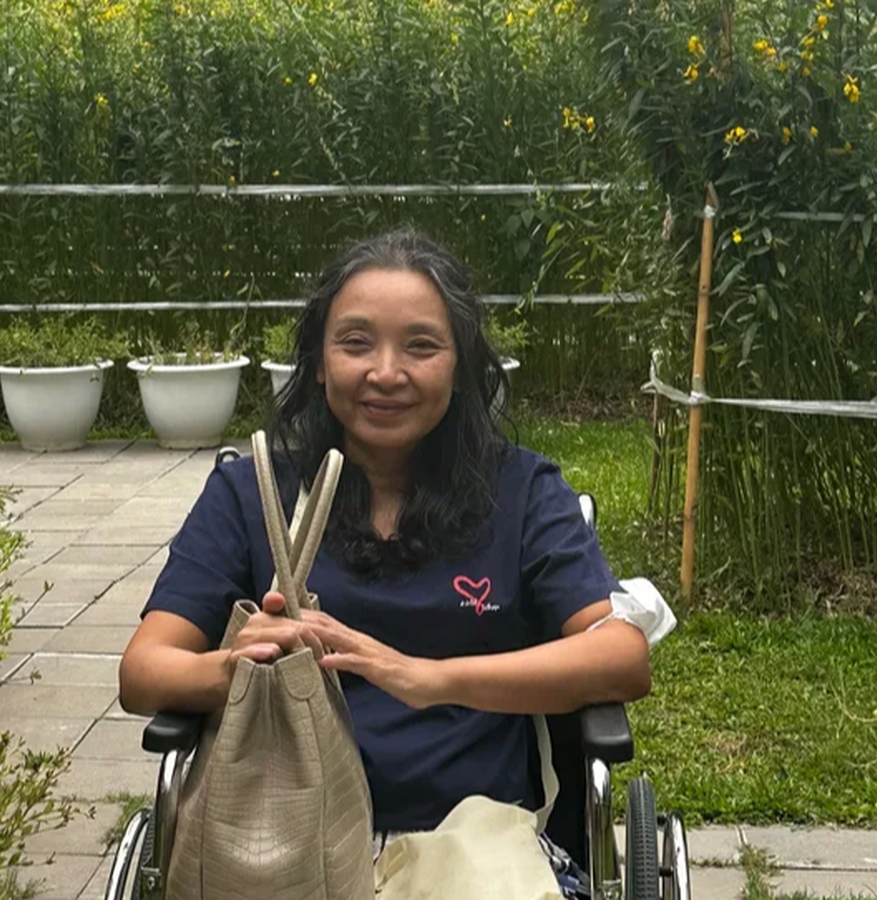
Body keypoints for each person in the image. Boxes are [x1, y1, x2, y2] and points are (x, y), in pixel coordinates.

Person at [118, 226, 652, 897]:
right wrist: (236, 668)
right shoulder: (252, 496)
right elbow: (144, 672)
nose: (386, 372)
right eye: (356, 342)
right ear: (319, 361)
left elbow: (620, 656)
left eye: (421, 346)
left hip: (471, 838)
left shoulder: (521, 494)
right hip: (285, 834)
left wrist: (421, 677)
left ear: (460, 367)